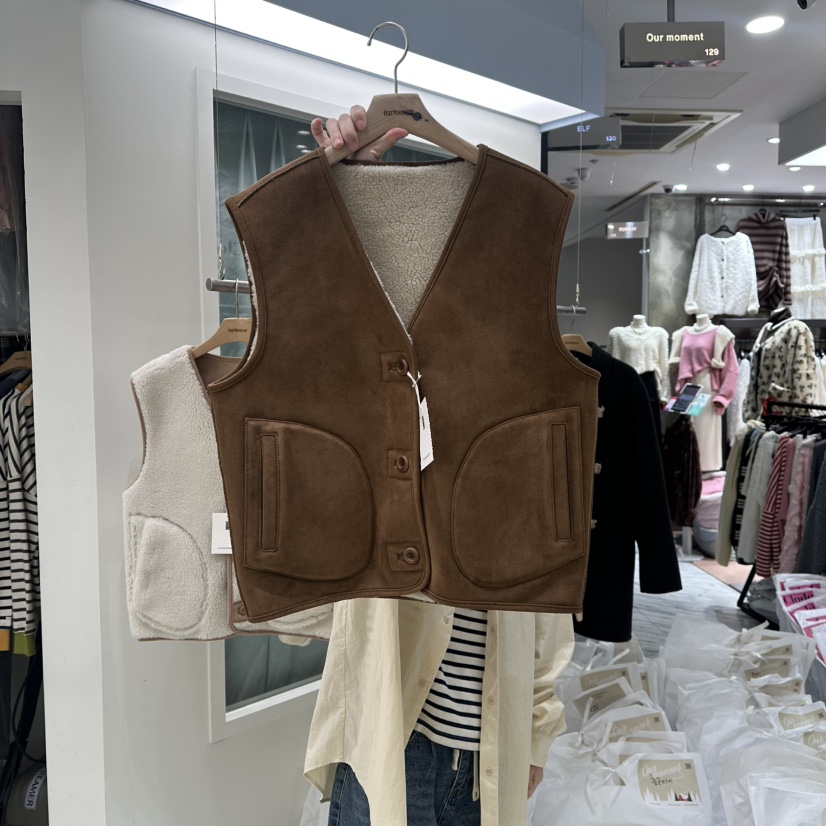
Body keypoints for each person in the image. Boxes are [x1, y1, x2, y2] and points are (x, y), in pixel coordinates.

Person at [290, 106, 575, 826]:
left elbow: (546, 574)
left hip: (487, 746)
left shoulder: (522, 378)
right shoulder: (367, 382)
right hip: (391, 731)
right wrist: (349, 198)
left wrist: (539, 723)